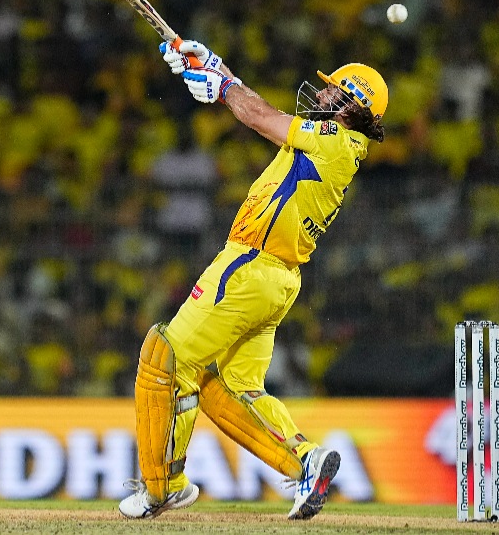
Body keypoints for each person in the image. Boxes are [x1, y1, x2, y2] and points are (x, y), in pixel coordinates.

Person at [118, 40, 388, 520]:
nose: (321, 95)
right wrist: (217, 70)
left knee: (165, 357)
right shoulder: (340, 146)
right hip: (277, 280)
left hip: (248, 265)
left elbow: (262, 116)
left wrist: (223, 85)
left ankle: (161, 488)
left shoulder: (331, 138)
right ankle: (305, 462)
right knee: (229, 387)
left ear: (350, 107)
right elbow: (261, 112)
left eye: (332, 92)